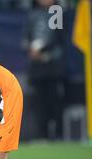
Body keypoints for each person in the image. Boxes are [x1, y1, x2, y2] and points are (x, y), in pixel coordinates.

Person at [23, 0, 65, 140]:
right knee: (39, 104)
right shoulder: (32, 15)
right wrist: (30, 49)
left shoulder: (57, 12)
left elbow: (58, 39)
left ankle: (58, 135)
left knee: (55, 102)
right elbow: (26, 38)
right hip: (37, 69)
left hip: (53, 68)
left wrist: (44, 52)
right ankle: (42, 134)